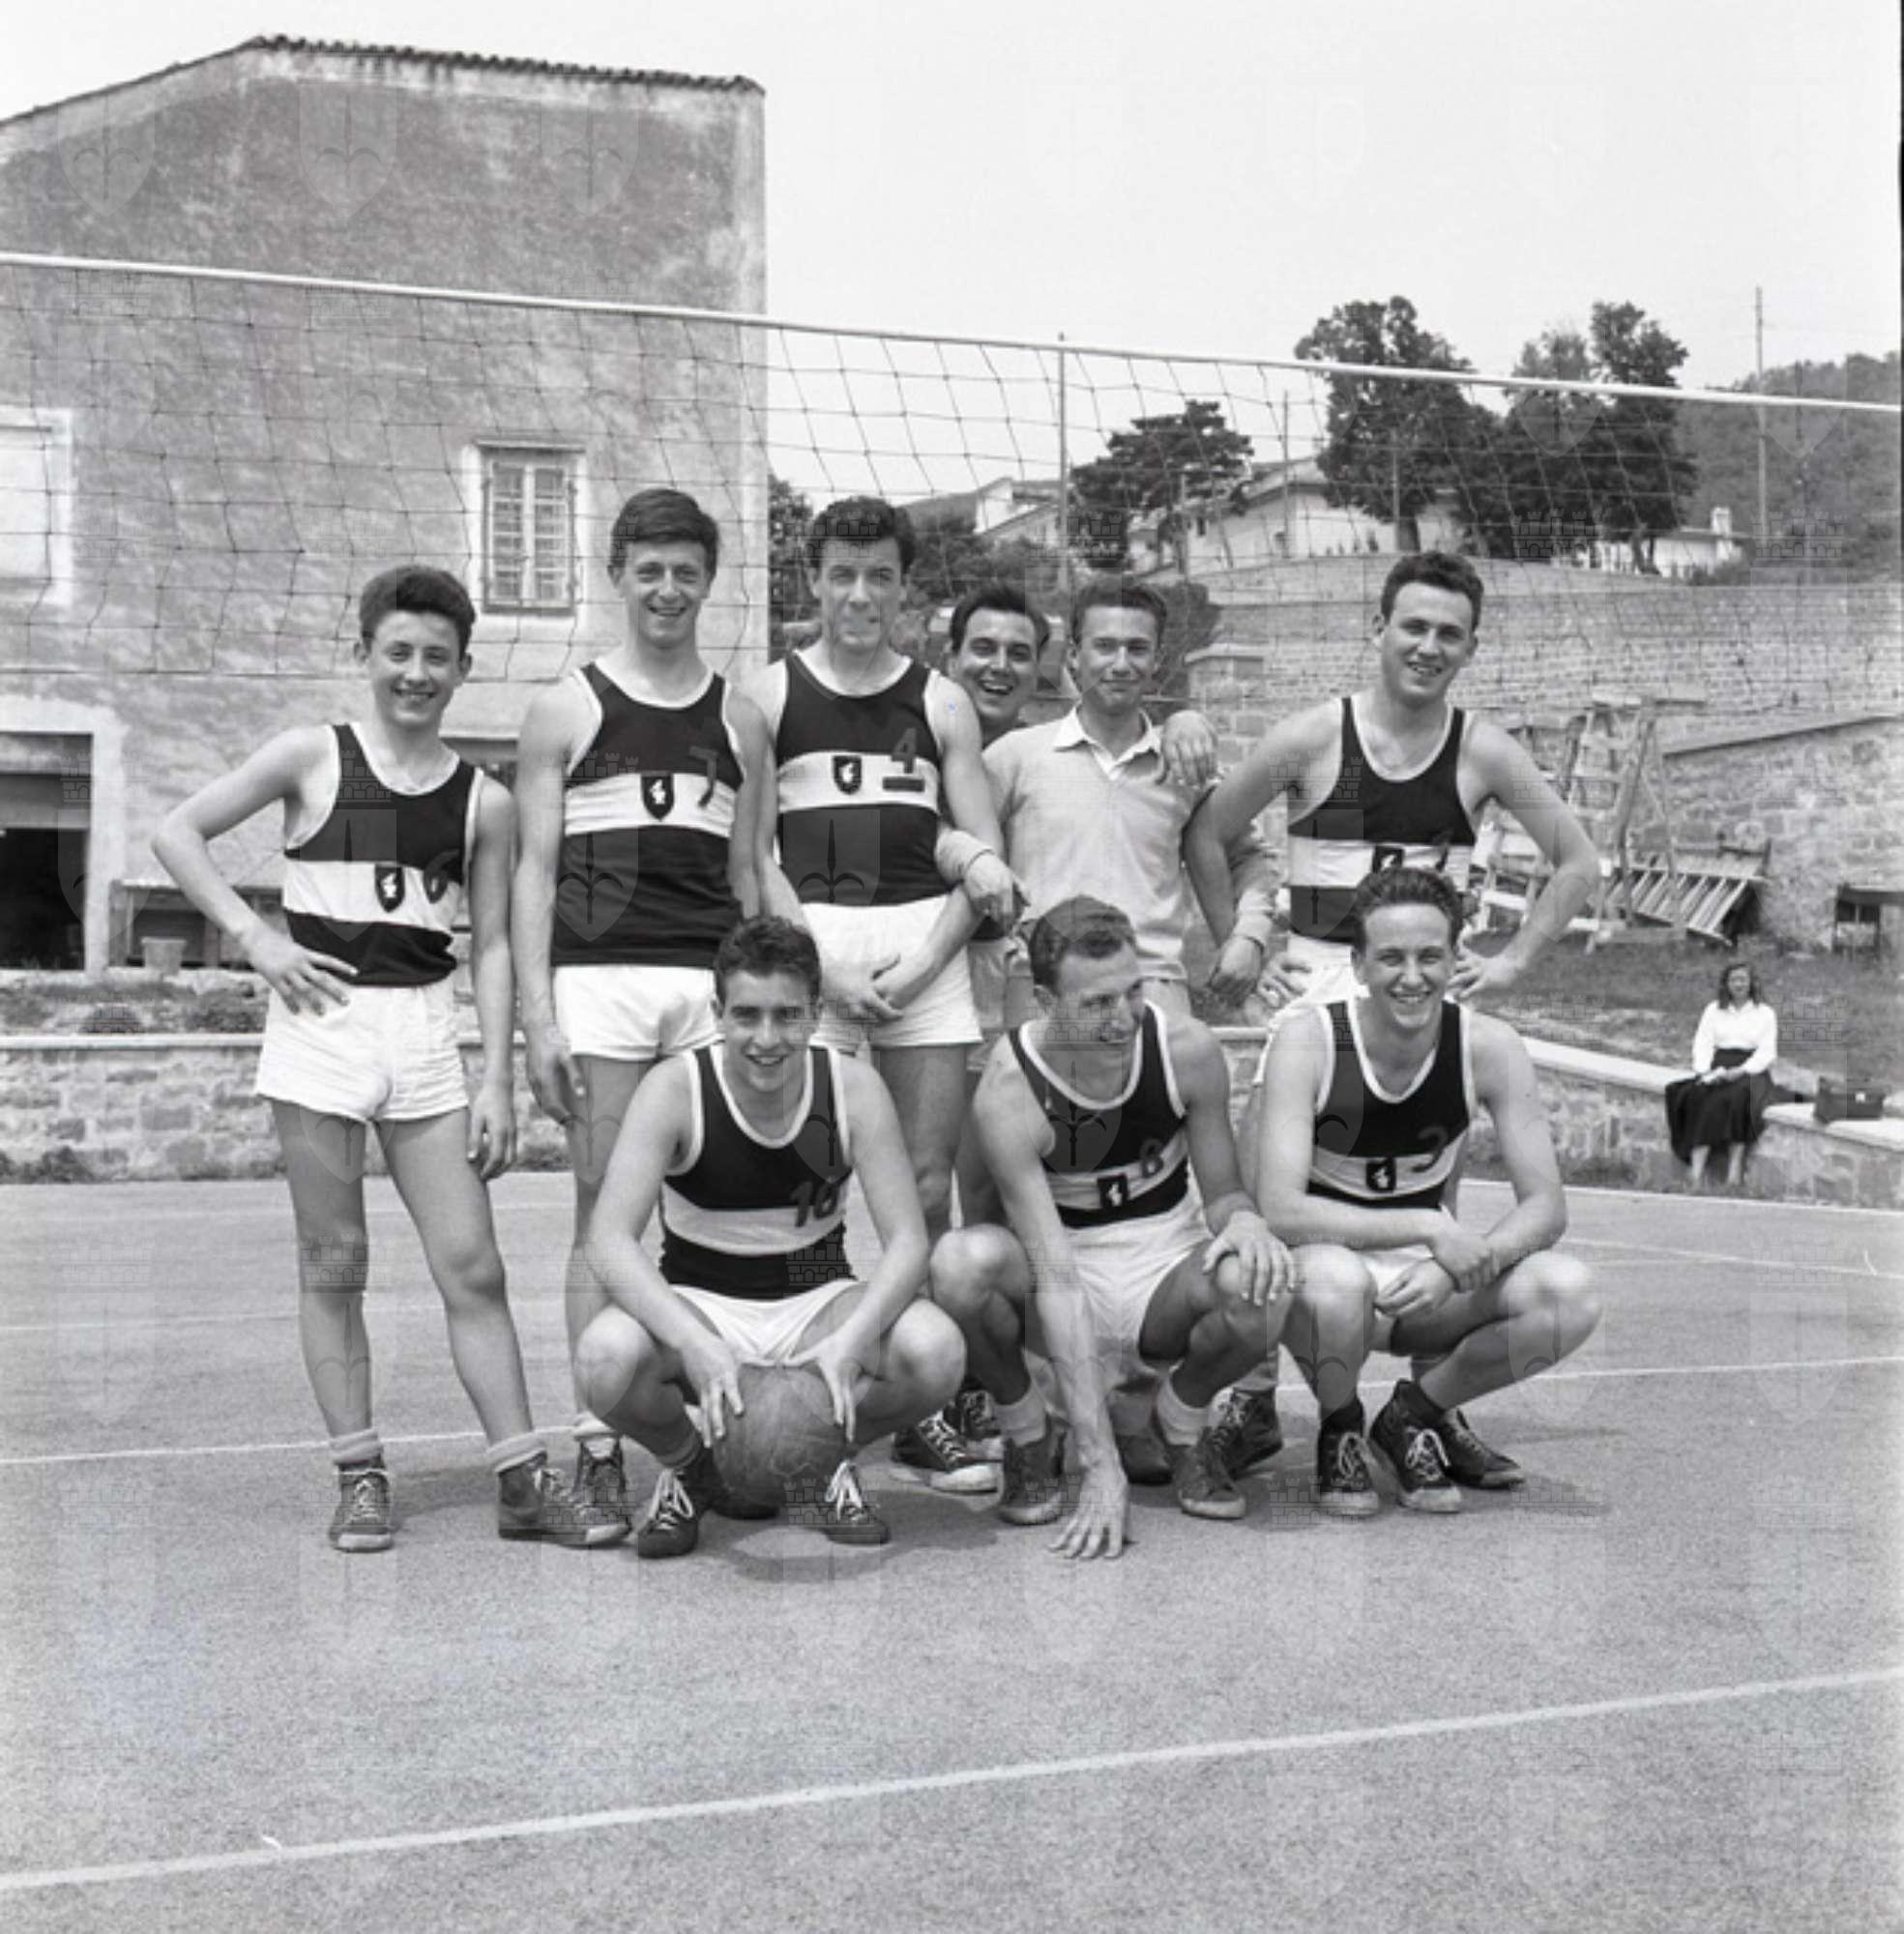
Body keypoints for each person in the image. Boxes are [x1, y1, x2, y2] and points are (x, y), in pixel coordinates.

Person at [154, 566, 623, 1553]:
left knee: (473, 1265)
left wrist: (494, 1077)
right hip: (320, 1032)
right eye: (398, 652)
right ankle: (360, 1472)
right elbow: (176, 831)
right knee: (335, 1261)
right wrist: (256, 938)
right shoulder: (311, 756)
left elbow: (490, 946)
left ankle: (523, 1478)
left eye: (436, 657)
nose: (416, 672)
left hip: (421, 1035)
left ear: (462, 668)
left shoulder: (483, 800)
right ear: (364, 652)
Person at [1187, 549, 1600, 1482]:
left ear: (1470, 648)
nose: (1427, 646)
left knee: (1425, 1197)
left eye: (1449, 633)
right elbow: (1207, 832)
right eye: (1412, 626)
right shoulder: (1311, 736)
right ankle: (1252, 1400)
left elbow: (1576, 860)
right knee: (1274, 1202)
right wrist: (1240, 948)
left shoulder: (1482, 750)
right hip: (1318, 993)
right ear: (1376, 629)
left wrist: (1511, 960)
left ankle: (1427, 1411)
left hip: (1416, 991)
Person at [511, 487, 776, 1532]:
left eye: (686, 572)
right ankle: (597, 1447)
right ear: (617, 574)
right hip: (603, 981)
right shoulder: (565, 708)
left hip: (709, 987)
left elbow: (751, 872)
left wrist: (787, 990)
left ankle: (714, 1435)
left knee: (714, 1216)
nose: (668, 589)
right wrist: (537, 1020)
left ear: (710, 583)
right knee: (602, 1216)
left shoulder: (740, 716)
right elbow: (534, 873)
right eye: (650, 570)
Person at [747, 498, 1014, 1496]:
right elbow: (756, 856)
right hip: (812, 957)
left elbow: (984, 860)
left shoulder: (941, 702)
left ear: (906, 587)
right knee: (799, 1183)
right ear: (813, 579)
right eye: (842, 574)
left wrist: (930, 959)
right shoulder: (767, 697)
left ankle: (923, 1408)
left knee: (926, 1184)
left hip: (921, 957)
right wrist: (820, 965)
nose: (860, 595)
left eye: (881, 577)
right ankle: (788, 1391)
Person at [574, 917, 968, 1557]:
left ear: (815, 1014)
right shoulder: (675, 1088)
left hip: (815, 1300)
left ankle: (825, 1459)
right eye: (747, 1015)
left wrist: (852, 1341)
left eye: (787, 1016)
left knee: (937, 1351)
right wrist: (691, 1341)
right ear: (717, 1015)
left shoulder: (851, 1088)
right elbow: (609, 1241)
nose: (766, 1038)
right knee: (603, 1359)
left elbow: (907, 1242)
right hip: (703, 1302)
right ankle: (692, 1467)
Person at [930, 898, 1293, 1559]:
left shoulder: (1186, 1049)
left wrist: (1245, 1222)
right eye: (1097, 1003)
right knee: (958, 1264)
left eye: (1133, 991)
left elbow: (1224, 1195)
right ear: (1045, 1001)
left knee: (1263, 1279)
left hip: (1164, 1261)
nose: (1123, 1017)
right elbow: (1055, 1276)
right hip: (1064, 1264)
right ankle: (1029, 1432)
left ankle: (1179, 1421)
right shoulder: (1010, 1086)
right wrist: (1100, 1465)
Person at [1257, 866, 1600, 1515]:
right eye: (1390, 958)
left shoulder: (1488, 1046)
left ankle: (1413, 1414)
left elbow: (1545, 1207)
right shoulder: (1308, 1040)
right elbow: (1280, 1209)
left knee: (1569, 1293)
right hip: (1330, 1277)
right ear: (1358, 965)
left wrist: (1455, 1265)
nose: (1411, 977)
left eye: (1429, 957)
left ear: (1454, 959)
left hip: (1426, 1281)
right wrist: (1428, 1227)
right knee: (1335, 1280)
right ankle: (1340, 1427)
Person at [1665, 962, 1777, 1187]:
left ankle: (1734, 1171)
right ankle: (1696, 1170)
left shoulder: (1765, 1013)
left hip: (1751, 1070)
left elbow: (1767, 1051)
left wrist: (1742, 1070)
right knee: (1696, 1095)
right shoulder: (1714, 1010)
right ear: (1726, 984)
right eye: (1733, 980)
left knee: (1737, 1098)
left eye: (1743, 979)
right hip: (1719, 1066)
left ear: (1751, 983)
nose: (1738, 984)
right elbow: (1703, 1042)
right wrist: (1705, 1071)